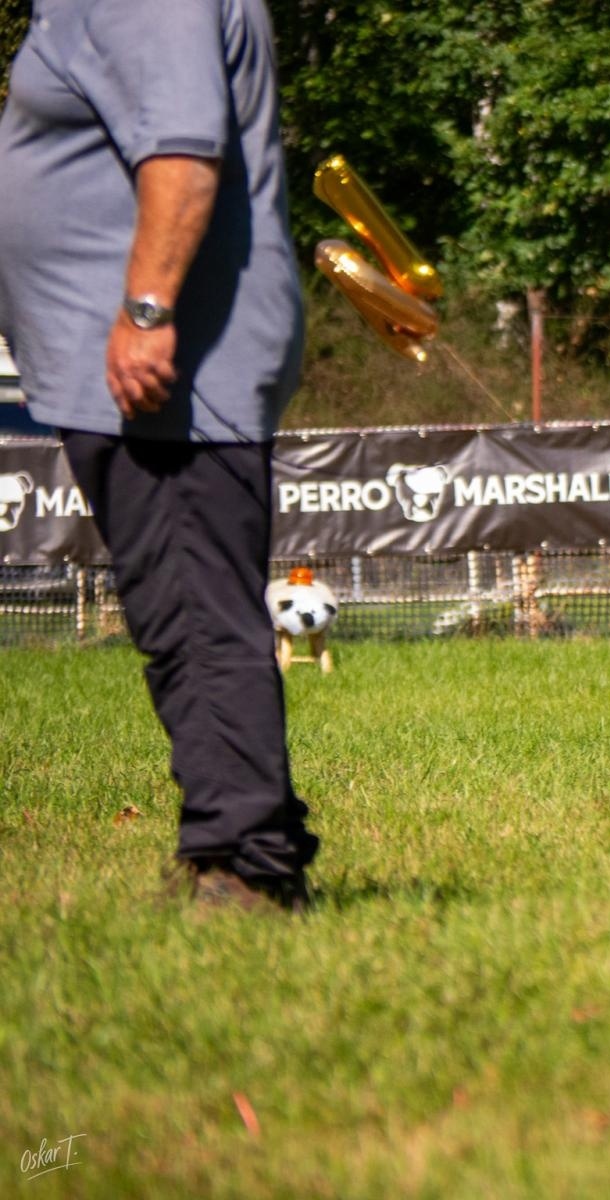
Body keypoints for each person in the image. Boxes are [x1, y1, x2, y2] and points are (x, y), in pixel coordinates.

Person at [0, 0, 317, 911]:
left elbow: (182, 149)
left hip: (173, 370)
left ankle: (246, 866)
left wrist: (146, 310)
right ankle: (249, 838)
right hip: (155, 368)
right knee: (183, 612)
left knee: (195, 616)